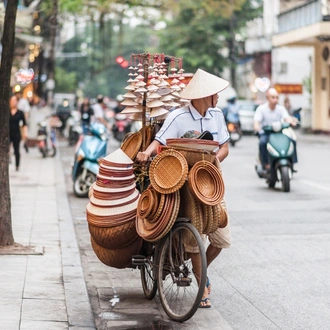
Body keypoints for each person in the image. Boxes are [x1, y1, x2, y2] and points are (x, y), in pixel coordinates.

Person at [136, 68, 231, 309]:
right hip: (185, 185)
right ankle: (202, 286)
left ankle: (201, 270)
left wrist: (214, 161)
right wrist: (146, 153)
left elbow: (224, 148)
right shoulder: (178, 117)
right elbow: (160, 141)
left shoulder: (217, 115)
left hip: (210, 182)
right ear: (202, 96)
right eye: (214, 94)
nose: (217, 97)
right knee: (193, 238)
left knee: (221, 238)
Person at [254, 88, 297, 173]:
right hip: (266, 133)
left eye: (277, 97)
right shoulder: (261, 109)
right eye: (273, 97)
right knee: (262, 143)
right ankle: (266, 164)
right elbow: (256, 121)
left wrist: (291, 122)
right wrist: (257, 127)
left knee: (292, 141)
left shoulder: (280, 109)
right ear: (268, 98)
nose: (275, 100)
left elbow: (286, 118)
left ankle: (292, 163)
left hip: (279, 133)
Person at [9, 95, 27, 171]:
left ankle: (17, 165)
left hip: (16, 133)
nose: (13, 102)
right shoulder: (6, 112)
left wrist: (25, 133)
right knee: (6, 149)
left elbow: (24, 124)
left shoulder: (20, 113)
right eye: (12, 101)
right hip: (7, 133)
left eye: (14, 101)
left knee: (17, 150)